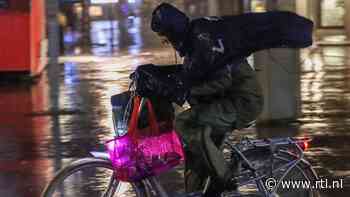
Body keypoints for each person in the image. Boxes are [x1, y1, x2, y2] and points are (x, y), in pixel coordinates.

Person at [150, 3, 264, 196]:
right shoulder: (194, 40)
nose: (168, 44)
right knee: (195, 158)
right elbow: (194, 72)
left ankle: (225, 178)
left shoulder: (204, 41)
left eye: (167, 39)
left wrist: (189, 91)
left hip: (242, 101)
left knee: (185, 122)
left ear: (174, 32)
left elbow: (222, 81)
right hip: (223, 101)